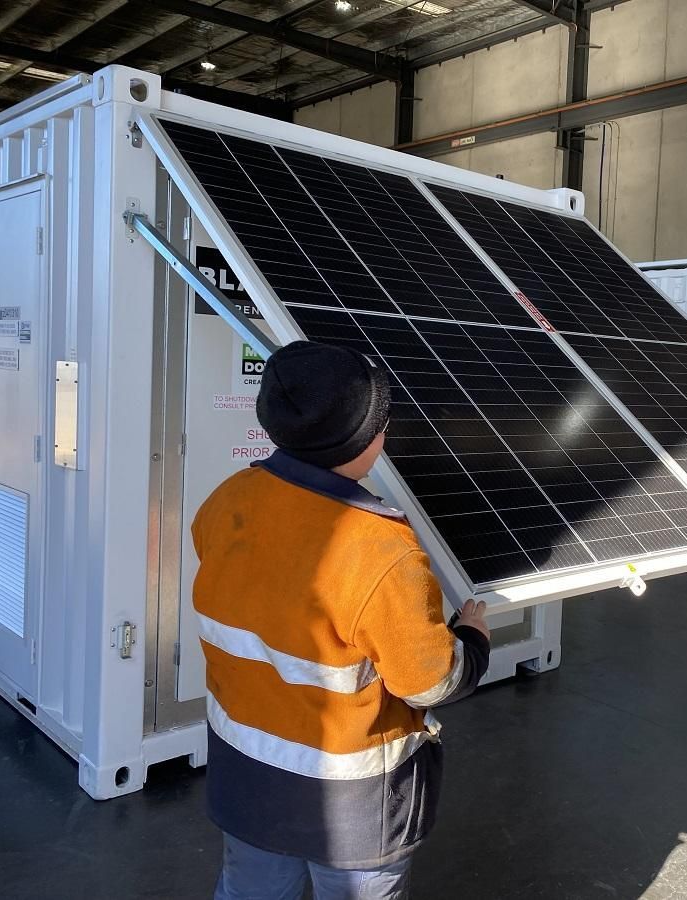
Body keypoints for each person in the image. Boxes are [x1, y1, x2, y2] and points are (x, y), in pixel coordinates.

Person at [191, 340, 491, 899]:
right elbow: (428, 680)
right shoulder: (381, 549)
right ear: (361, 439)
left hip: (246, 775)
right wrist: (472, 640)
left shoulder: (227, 500)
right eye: (381, 424)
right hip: (351, 805)